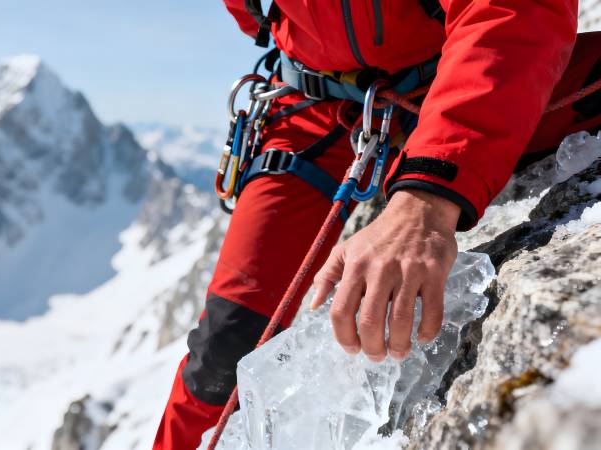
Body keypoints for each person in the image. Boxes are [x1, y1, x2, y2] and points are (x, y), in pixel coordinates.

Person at [154, 1, 601, 448]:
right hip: (312, 108)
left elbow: (511, 11)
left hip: (458, 71)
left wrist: (427, 198)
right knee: (224, 352)